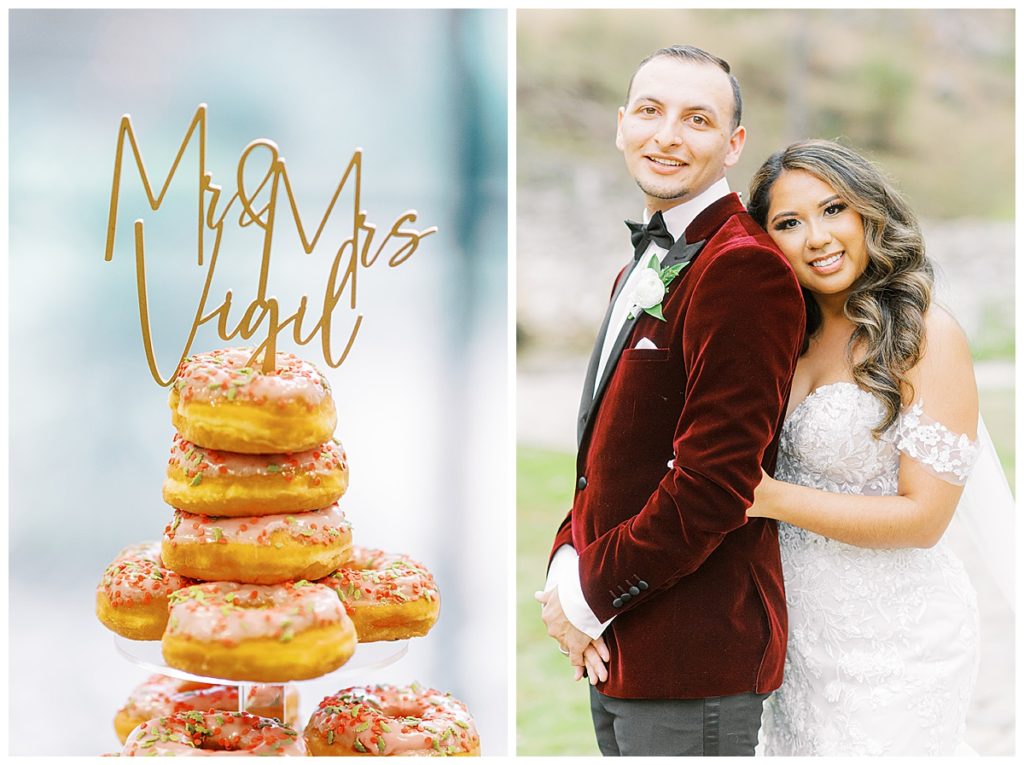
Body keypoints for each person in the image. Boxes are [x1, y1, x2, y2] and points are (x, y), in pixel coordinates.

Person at [535, 45, 805, 756]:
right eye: (650, 111)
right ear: (621, 123)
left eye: (697, 119)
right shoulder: (641, 263)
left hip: (696, 660)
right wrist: (566, 564)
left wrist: (587, 594)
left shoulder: (742, 267)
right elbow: (608, 452)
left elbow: (716, 485)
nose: (667, 135)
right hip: (622, 648)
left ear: (732, 145)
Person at [745, 139, 982, 755]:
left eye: (833, 210)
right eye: (789, 224)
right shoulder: (784, 337)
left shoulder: (925, 333)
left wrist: (767, 497)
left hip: (897, 639)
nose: (817, 237)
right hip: (796, 638)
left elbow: (924, 518)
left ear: (868, 213)